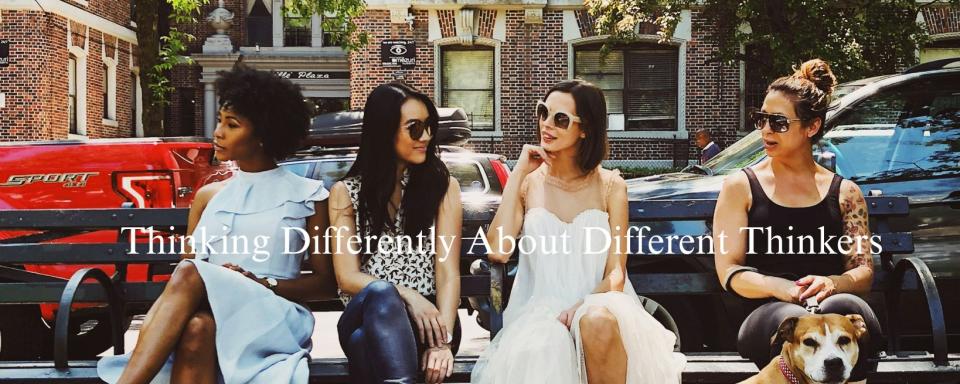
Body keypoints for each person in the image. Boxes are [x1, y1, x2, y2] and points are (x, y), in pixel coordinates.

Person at [97, 64, 336, 384]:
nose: (218, 132)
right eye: (220, 121)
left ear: (264, 134)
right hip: (212, 312)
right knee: (197, 327)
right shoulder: (208, 196)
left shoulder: (309, 195)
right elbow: (186, 278)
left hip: (272, 316)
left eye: (232, 125)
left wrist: (263, 284)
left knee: (190, 271)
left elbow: (324, 285)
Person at [471, 79, 685, 384]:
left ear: (584, 129)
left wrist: (583, 304)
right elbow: (498, 250)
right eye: (543, 113)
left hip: (601, 302)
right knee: (547, 343)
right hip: (539, 312)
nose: (547, 125)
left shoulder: (611, 185)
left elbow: (616, 273)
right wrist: (518, 174)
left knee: (596, 322)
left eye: (561, 119)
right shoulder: (529, 183)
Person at [712, 59, 881, 383]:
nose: (765, 130)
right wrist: (780, 287)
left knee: (848, 308)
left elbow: (862, 270)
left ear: (812, 127)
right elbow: (729, 270)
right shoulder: (740, 187)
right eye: (761, 119)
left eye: (777, 122)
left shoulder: (845, 192)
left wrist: (833, 282)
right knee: (794, 320)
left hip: (831, 309)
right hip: (766, 313)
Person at [328, 82, 463, 384]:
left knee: (366, 344)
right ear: (384, 131)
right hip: (368, 313)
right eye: (414, 129)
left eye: (429, 127)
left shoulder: (443, 187)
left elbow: (448, 271)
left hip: (430, 324)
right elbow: (347, 278)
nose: (426, 137)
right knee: (380, 293)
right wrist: (409, 296)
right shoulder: (346, 193)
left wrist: (443, 341)